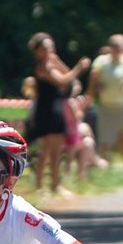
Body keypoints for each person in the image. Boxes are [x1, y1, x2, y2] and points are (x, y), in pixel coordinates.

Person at [27, 32, 91, 196]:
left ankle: (55, 184)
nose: (50, 51)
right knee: (46, 150)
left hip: (56, 109)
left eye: (51, 47)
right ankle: (42, 185)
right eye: (45, 48)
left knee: (56, 149)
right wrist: (79, 67)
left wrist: (58, 61)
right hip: (46, 110)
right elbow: (62, 81)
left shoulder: (52, 64)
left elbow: (69, 77)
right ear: (38, 51)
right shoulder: (42, 67)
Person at [88, 33, 123, 176]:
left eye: (119, 46)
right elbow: (93, 81)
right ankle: (106, 170)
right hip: (106, 106)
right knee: (105, 141)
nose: (116, 49)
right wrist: (96, 88)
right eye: (114, 46)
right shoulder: (101, 62)